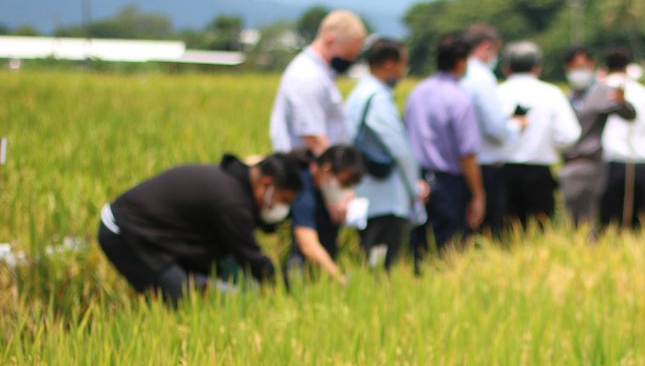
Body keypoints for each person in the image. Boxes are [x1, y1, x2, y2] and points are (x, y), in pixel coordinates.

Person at [97, 152, 302, 305]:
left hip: (154, 235)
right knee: (183, 300)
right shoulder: (232, 202)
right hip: (124, 232)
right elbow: (250, 256)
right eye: (283, 200)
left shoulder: (233, 185)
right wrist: (286, 289)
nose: (281, 207)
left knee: (206, 288)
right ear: (267, 184)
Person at [342, 38, 426, 270]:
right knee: (380, 265)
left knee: (370, 258)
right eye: (402, 64)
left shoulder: (360, 94)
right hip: (384, 197)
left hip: (366, 192)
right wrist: (415, 187)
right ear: (389, 64)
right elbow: (399, 148)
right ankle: (376, 300)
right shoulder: (377, 97)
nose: (403, 72)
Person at [404, 33, 486, 261]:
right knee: (447, 253)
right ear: (461, 62)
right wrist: (478, 195)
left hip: (417, 181)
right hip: (448, 185)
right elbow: (467, 154)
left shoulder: (416, 92)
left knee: (417, 249)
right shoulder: (460, 98)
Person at [496, 41, 580, 229]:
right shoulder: (551, 94)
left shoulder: (497, 93)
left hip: (502, 172)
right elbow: (569, 135)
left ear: (506, 67)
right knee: (539, 231)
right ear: (537, 67)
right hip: (539, 174)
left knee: (504, 233)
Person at [268, 9, 368, 154]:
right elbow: (314, 140)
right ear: (330, 40)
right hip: (308, 171)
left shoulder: (318, 72)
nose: (349, 61)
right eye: (347, 54)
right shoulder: (308, 76)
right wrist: (333, 174)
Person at [558, 44, 637, 227]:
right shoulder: (569, 96)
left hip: (590, 162)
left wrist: (622, 102)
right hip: (568, 163)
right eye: (573, 68)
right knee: (571, 218)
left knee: (588, 218)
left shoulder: (601, 91)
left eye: (582, 67)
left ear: (591, 65)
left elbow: (629, 114)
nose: (578, 72)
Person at [460, 23, 520, 238]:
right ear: (486, 47)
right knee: (486, 232)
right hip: (484, 166)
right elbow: (496, 128)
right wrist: (515, 126)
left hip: (457, 167)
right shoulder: (482, 78)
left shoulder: (457, 73)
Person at [600, 48, 645, 231]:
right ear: (627, 68)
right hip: (642, 167)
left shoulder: (600, 90)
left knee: (608, 227)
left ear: (605, 67)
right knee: (637, 228)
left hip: (611, 166)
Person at [285, 146, 365, 285]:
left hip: (323, 264)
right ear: (327, 170)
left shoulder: (327, 189)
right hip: (300, 266)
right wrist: (339, 278)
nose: (345, 190)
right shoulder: (302, 189)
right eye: (343, 183)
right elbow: (307, 244)